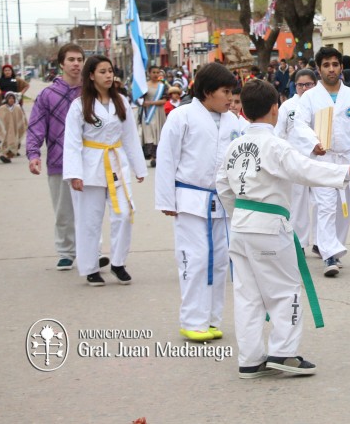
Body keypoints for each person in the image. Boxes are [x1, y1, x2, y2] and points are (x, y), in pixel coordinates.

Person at [216, 80, 350, 378]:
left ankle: (250, 358)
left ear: (244, 111)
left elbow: (222, 185)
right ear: (275, 109)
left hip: (240, 226)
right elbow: (305, 170)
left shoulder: (234, 145)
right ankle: (284, 353)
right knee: (286, 290)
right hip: (269, 225)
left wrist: (237, 214)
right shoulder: (275, 145)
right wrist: (346, 171)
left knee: (247, 294)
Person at [155, 62, 240, 342]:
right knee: (196, 258)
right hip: (190, 199)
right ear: (206, 91)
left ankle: (212, 319)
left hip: (223, 201)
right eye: (225, 92)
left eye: (232, 93)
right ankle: (192, 320)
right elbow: (167, 158)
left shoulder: (234, 122)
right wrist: (166, 199)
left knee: (219, 262)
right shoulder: (182, 116)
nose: (230, 98)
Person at [63, 56, 147, 286]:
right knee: (89, 220)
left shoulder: (120, 101)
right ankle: (90, 267)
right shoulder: (80, 105)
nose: (108, 75)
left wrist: (139, 167)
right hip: (90, 166)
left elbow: (130, 136)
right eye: (102, 72)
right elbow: (71, 142)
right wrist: (74, 174)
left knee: (124, 214)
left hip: (117, 164)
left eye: (110, 71)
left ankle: (118, 263)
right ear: (91, 75)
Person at [290, 47, 350, 277]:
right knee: (325, 205)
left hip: (347, 159)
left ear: (340, 67)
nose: (331, 69)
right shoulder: (310, 97)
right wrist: (312, 143)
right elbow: (300, 124)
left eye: (335, 64)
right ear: (318, 69)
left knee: (342, 209)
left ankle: (335, 247)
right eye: (326, 65)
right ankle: (329, 254)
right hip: (324, 158)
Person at [26, 44, 86, 271]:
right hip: (58, 161)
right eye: (71, 59)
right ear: (61, 63)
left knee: (90, 211)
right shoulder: (48, 95)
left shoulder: (89, 93)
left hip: (89, 160)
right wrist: (33, 154)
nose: (76, 64)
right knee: (63, 211)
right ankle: (66, 252)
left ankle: (92, 251)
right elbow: (36, 127)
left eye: (79, 59)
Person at [275, 69, 318, 250]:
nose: (304, 88)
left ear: (315, 85)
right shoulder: (288, 107)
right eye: (300, 85)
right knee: (298, 203)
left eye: (308, 84)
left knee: (320, 202)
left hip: (318, 158)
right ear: (295, 86)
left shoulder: (321, 103)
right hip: (296, 159)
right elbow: (279, 133)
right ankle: (298, 242)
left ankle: (320, 242)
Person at [137, 65, 168, 168]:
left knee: (158, 132)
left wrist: (152, 102)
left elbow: (164, 100)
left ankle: (156, 156)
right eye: (153, 72)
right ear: (149, 73)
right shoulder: (144, 86)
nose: (155, 74)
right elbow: (138, 98)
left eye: (157, 72)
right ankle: (151, 156)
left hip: (158, 112)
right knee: (149, 133)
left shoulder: (162, 86)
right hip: (148, 114)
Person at [0, 91, 28, 163]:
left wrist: (24, 124)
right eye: (9, 98)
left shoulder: (17, 108)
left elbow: (22, 118)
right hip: (6, 129)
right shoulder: (2, 108)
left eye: (13, 98)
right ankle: (6, 155)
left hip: (15, 128)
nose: (11, 100)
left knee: (14, 141)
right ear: (6, 99)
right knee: (6, 141)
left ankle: (8, 156)